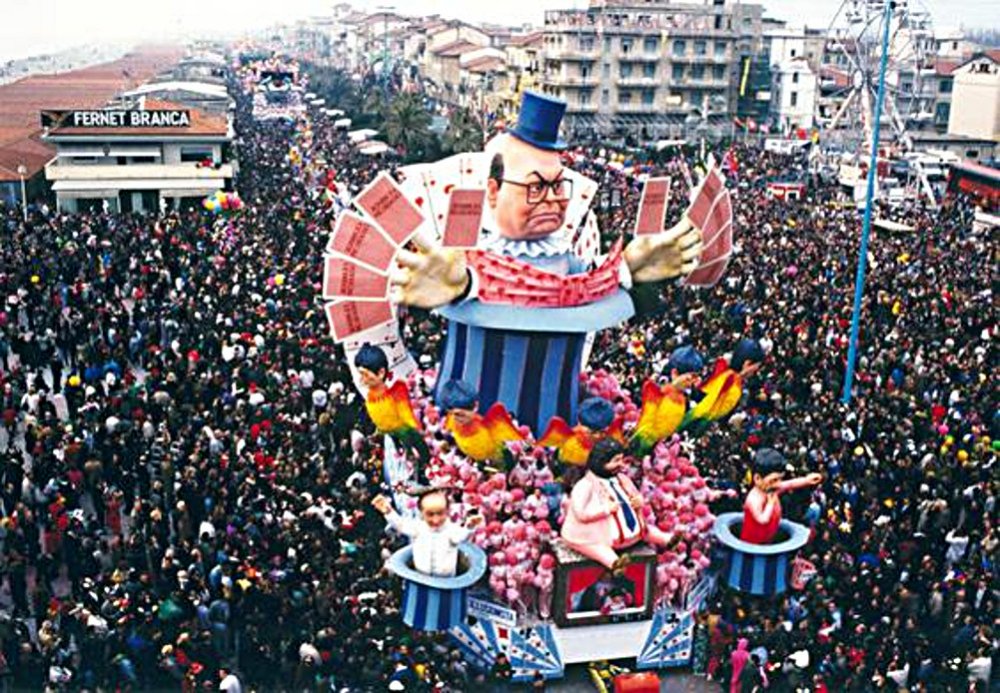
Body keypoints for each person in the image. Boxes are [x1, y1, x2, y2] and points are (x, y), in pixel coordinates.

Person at [389, 91, 704, 434]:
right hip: (468, 439)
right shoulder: (469, 261)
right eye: (535, 188)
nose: (552, 200)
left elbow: (586, 286)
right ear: (492, 191)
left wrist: (629, 269)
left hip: (559, 430)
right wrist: (462, 286)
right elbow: (476, 285)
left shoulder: (570, 264)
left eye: (558, 186)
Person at [560, 438, 675, 571]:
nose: (621, 464)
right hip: (594, 536)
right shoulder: (585, 485)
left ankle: (666, 539)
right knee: (599, 549)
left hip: (631, 530)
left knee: (647, 531)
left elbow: (635, 494)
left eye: (621, 459)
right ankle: (614, 563)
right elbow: (581, 514)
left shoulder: (622, 479)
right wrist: (605, 510)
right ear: (601, 462)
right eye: (616, 461)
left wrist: (639, 500)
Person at [372, 490, 481, 577]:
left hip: (446, 581)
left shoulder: (451, 529)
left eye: (440, 514)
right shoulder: (419, 527)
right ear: (422, 512)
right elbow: (401, 525)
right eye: (430, 514)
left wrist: (469, 527)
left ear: (447, 511)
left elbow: (460, 536)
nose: (436, 520)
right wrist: (388, 511)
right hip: (420, 578)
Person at [741, 448, 822, 545]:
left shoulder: (772, 488)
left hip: (770, 535)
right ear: (758, 479)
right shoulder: (754, 499)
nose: (778, 483)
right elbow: (762, 519)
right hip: (753, 543)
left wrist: (806, 480)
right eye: (774, 480)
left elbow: (790, 484)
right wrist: (770, 504)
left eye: (779, 479)